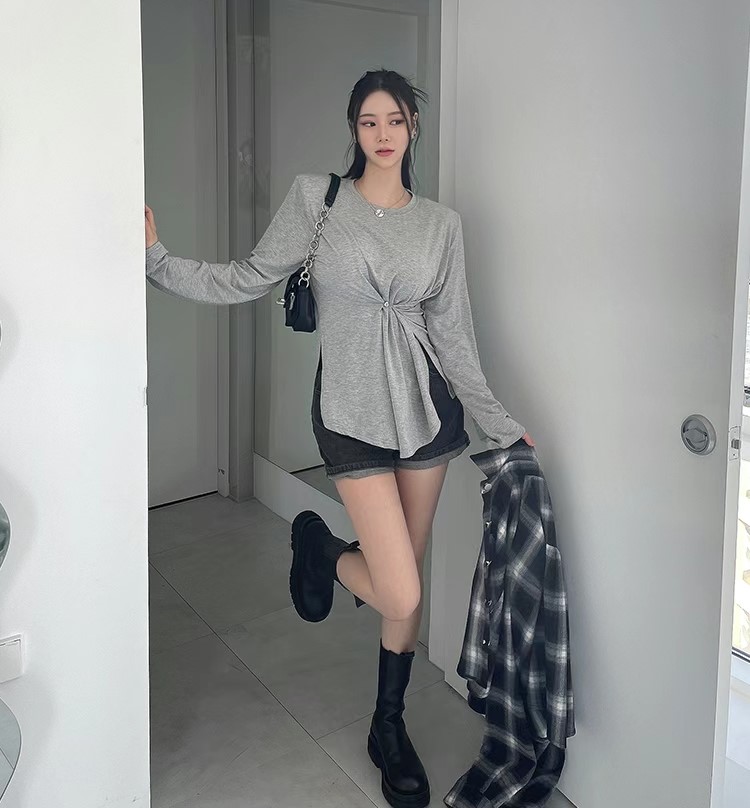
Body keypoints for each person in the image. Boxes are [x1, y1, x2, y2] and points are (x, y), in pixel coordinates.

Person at [144, 68, 534, 808]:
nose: (383, 135)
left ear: (413, 127)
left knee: (407, 584)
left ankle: (388, 725)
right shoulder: (318, 201)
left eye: (395, 121)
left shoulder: (441, 226)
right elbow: (250, 276)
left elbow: (455, 338)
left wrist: (501, 425)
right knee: (399, 586)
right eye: (368, 122)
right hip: (350, 416)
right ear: (353, 130)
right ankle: (320, 547)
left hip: (428, 418)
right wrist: (156, 261)